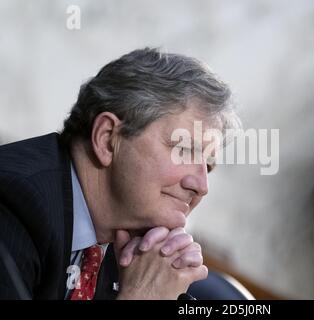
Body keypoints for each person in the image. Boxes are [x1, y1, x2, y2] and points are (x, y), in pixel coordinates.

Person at [0, 47, 240, 299]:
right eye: (184, 150)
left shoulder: (143, 251)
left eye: (209, 166)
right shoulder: (13, 201)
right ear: (107, 139)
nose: (202, 186)